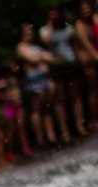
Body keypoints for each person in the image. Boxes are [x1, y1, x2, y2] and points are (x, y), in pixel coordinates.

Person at [42, 6, 87, 140]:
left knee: (75, 95)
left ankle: (80, 124)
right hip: (57, 67)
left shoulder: (68, 28)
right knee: (60, 99)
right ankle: (64, 130)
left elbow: (75, 45)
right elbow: (47, 40)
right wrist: (50, 23)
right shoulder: (45, 30)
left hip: (71, 64)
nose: (54, 16)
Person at [18, 23, 60, 146]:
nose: (29, 34)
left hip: (44, 79)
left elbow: (52, 58)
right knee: (37, 109)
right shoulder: (21, 47)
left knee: (47, 108)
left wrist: (40, 57)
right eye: (26, 32)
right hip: (34, 81)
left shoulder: (36, 47)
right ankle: (40, 138)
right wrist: (41, 57)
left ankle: (51, 136)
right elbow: (33, 60)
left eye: (30, 31)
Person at [0, 60, 34, 161]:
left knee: (21, 127)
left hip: (18, 106)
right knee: (11, 131)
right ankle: (9, 151)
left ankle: (26, 148)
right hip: (9, 107)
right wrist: (8, 97)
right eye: (13, 66)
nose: (16, 67)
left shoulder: (16, 79)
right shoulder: (4, 82)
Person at [75, 1, 98, 130]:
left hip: (94, 60)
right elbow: (86, 44)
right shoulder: (79, 24)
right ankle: (94, 120)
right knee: (93, 91)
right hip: (89, 63)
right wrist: (95, 56)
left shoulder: (93, 21)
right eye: (83, 9)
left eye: (87, 8)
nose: (86, 11)